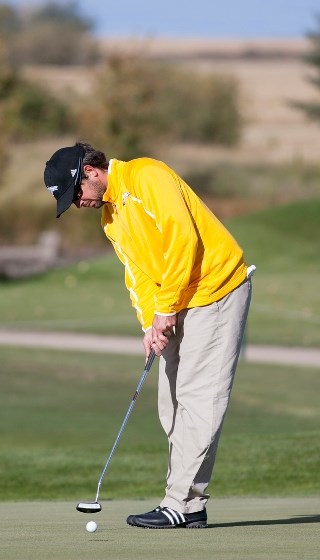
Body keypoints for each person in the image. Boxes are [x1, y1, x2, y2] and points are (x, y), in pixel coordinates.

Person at [44, 142, 255, 529]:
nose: (77, 204)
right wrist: (149, 323)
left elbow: (183, 240)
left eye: (75, 194)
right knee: (170, 403)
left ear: (90, 173)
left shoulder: (146, 176)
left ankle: (180, 501)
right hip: (177, 300)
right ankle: (190, 507)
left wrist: (165, 309)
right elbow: (138, 274)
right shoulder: (110, 217)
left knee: (198, 397)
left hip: (217, 289)